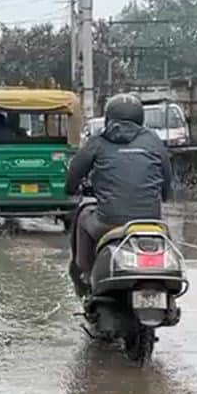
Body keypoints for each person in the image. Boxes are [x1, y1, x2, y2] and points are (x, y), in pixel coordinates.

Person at [63, 93, 173, 297]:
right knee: (166, 236)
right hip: (151, 221)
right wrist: (165, 196)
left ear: (108, 117)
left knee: (83, 214)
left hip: (108, 222)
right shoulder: (154, 141)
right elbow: (167, 179)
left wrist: (70, 189)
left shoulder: (98, 142)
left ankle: (86, 273)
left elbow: (74, 173)